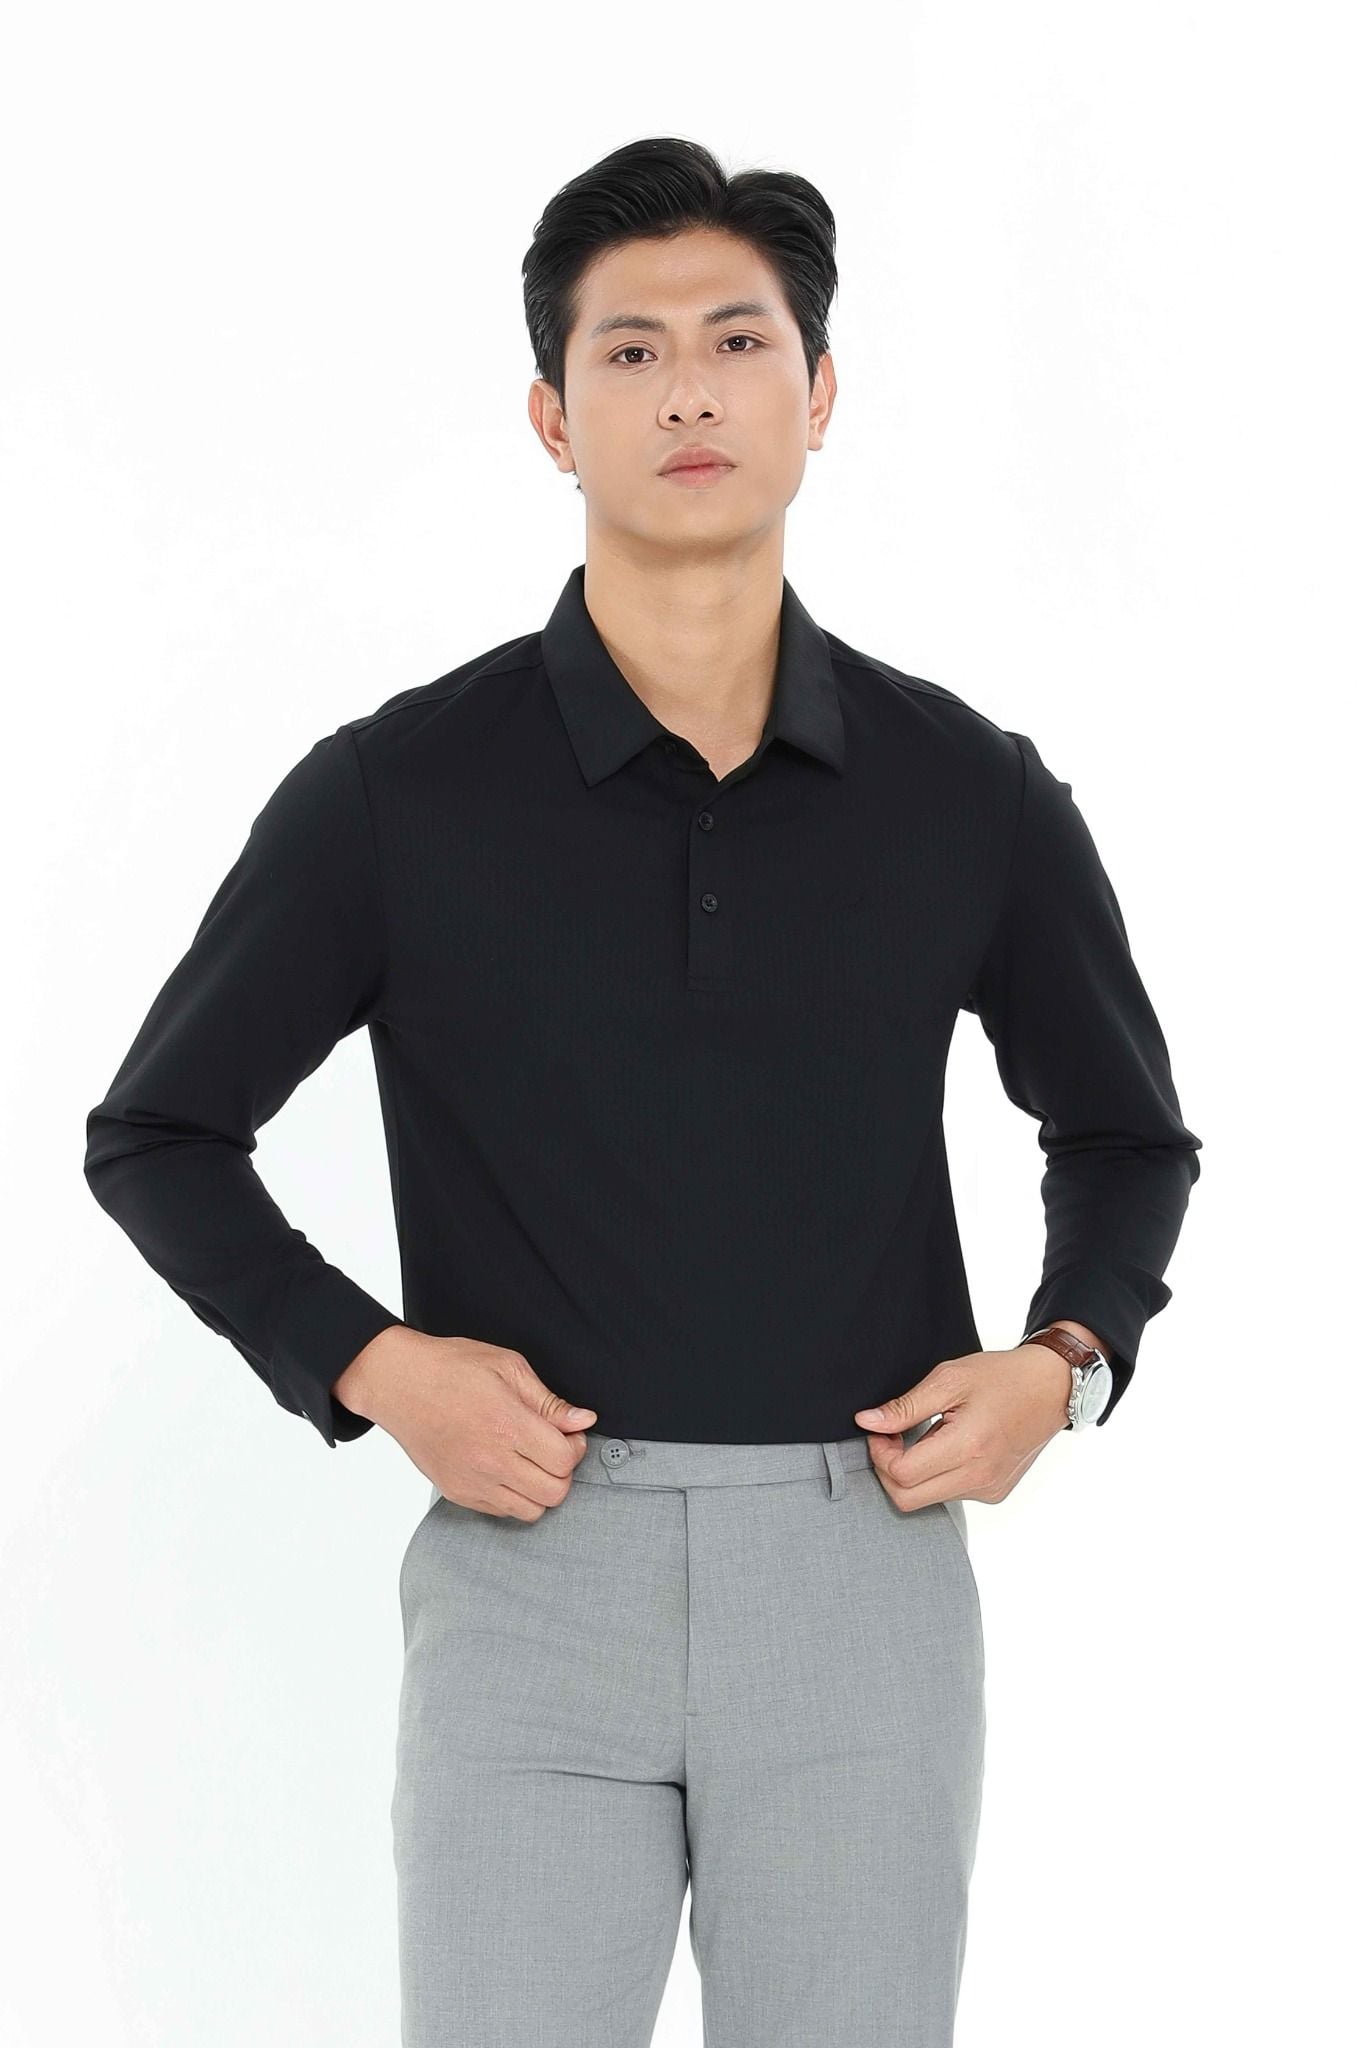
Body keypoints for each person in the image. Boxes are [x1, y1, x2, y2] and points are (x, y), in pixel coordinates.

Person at [83, 135, 1203, 2046]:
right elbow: (159, 1134)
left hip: (862, 1569)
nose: (689, 390)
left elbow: (1121, 1133)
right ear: (551, 415)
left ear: (818, 392)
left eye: (737, 341)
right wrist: (374, 1364)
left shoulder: (967, 792)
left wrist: (1064, 1361)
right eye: (629, 352)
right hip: (534, 1576)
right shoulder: (396, 792)